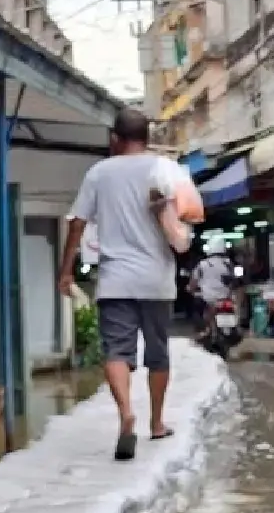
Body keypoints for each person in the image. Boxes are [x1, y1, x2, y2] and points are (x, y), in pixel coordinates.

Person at [60, 107, 187, 460]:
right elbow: (186, 214)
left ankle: (126, 414)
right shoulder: (163, 169)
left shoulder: (99, 173)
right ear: (147, 138)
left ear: (115, 138)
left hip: (115, 279)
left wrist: (65, 270)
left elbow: (77, 223)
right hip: (157, 279)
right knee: (158, 353)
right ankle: (157, 423)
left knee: (117, 350)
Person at [189, 246, 234, 338]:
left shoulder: (202, 264)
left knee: (198, 310)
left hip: (208, 297)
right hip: (225, 297)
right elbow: (233, 280)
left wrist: (191, 289)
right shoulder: (228, 263)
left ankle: (202, 331)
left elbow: (193, 281)